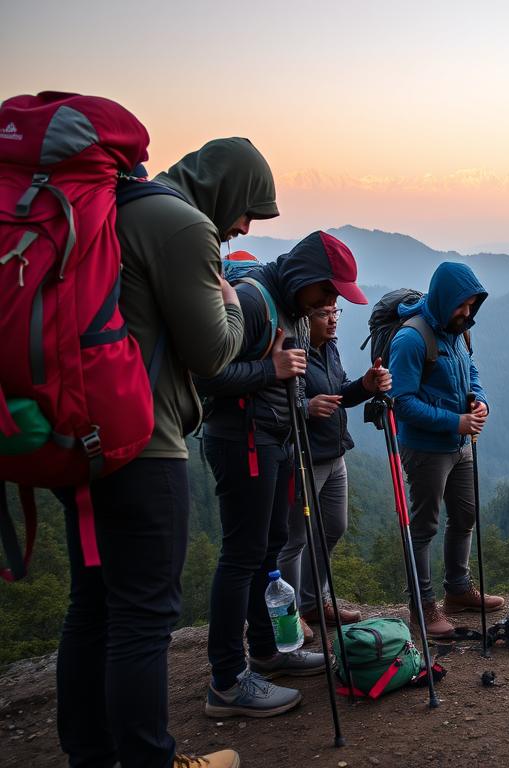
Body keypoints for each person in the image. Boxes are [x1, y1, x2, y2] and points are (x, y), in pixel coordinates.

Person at [55, 137, 276, 768]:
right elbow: (211, 352)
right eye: (247, 211)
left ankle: (90, 758)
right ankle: (151, 760)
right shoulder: (182, 224)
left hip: (84, 438)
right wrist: (234, 305)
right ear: (224, 189)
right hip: (145, 444)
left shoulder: (116, 207)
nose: (243, 227)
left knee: (93, 605)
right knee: (144, 617)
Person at [195, 230, 369, 718]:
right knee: (241, 556)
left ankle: (268, 651)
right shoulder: (254, 302)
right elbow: (205, 377)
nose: (330, 302)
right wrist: (270, 370)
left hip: (273, 442)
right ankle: (227, 683)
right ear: (307, 278)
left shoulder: (289, 306)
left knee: (268, 547)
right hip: (242, 442)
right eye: (328, 291)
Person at [386, 261, 503, 641]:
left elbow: (471, 374)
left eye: (472, 306)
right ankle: (422, 608)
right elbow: (400, 402)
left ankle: (457, 590)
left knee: (465, 514)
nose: (467, 313)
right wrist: (456, 423)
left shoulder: (457, 332)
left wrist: (480, 402)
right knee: (423, 528)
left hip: (460, 444)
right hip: (425, 449)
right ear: (444, 299)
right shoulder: (410, 339)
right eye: (462, 305)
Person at [276, 299, 390, 642]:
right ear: (304, 317)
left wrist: (366, 385)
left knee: (334, 527)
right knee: (294, 540)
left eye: (335, 312)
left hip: (335, 453)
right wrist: (306, 408)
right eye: (324, 313)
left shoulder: (330, 349)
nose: (333, 320)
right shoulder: (293, 350)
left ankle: (313, 601)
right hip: (304, 458)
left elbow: (340, 392)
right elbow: (276, 404)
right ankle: (291, 616)